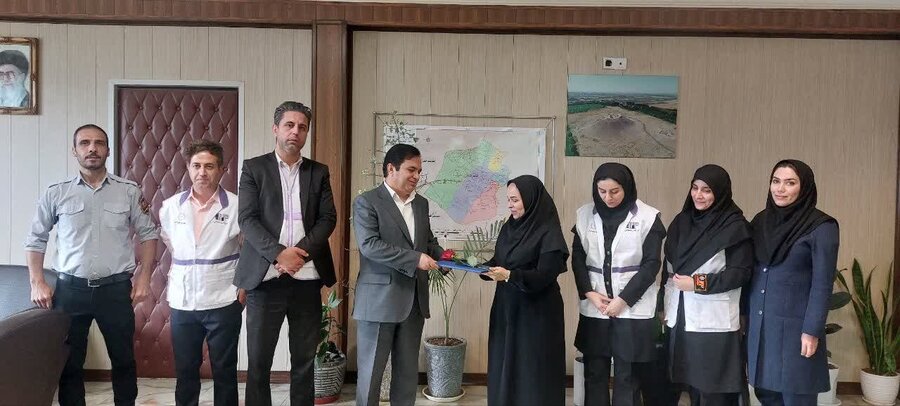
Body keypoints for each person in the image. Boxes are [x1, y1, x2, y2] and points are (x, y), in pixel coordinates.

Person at [24, 124, 159, 406]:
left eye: (99, 143)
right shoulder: (56, 193)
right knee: (70, 363)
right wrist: (37, 282)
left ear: (108, 150)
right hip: (70, 291)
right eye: (84, 143)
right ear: (74, 151)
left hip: (115, 291)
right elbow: (36, 239)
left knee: (123, 360)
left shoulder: (128, 191)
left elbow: (148, 234)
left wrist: (144, 277)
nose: (92, 148)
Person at [234, 101, 337, 405]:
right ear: (275, 129)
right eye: (289, 125)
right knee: (259, 363)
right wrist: (280, 254)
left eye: (302, 127)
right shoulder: (254, 168)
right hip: (265, 279)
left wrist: (298, 254)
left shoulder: (318, 172)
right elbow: (247, 219)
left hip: (307, 279)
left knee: (304, 362)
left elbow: (327, 219)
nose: (295, 132)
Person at [352, 143, 444, 406]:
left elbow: (428, 242)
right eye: (411, 170)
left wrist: (445, 258)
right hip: (378, 302)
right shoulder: (367, 202)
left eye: (419, 171)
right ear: (391, 168)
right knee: (371, 376)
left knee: (406, 376)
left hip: (414, 302)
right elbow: (370, 246)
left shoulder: (421, 204)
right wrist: (416, 259)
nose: (417, 176)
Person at [572, 163, 666, 406]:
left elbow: (651, 264)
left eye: (614, 191)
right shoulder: (584, 215)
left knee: (628, 375)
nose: (608, 197)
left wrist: (623, 300)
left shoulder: (647, 217)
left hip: (632, 307)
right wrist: (589, 292)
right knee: (595, 372)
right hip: (596, 305)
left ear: (627, 187)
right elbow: (578, 259)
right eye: (602, 191)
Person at [747, 160, 839, 405]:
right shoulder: (761, 221)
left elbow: (823, 283)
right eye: (776, 181)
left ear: (804, 187)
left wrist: (812, 330)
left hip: (797, 330)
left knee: (796, 394)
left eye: (790, 183)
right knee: (766, 394)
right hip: (763, 326)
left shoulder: (822, 226)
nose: (780, 189)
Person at [159, 139, 244, 406]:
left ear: (221, 169)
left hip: (224, 299)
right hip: (183, 302)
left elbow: (249, 249)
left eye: (209, 166)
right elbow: (171, 244)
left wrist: (243, 287)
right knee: (185, 370)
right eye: (196, 166)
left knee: (225, 370)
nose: (202, 172)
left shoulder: (237, 206)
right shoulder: (171, 207)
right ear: (188, 167)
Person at [663, 164, 752, 405]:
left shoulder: (735, 227)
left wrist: (697, 283)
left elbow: (739, 274)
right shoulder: (681, 222)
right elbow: (668, 267)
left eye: (707, 190)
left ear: (720, 193)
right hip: (680, 315)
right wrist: (663, 307)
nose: (698, 195)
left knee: (712, 387)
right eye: (695, 188)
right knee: (689, 381)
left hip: (714, 320)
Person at [481, 175, 569, 406]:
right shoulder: (509, 227)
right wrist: (480, 268)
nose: (510, 205)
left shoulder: (549, 232)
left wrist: (510, 275)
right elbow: (500, 260)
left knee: (532, 369)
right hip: (507, 308)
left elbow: (544, 275)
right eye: (508, 200)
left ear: (531, 201)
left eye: (515, 200)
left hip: (537, 313)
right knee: (505, 363)